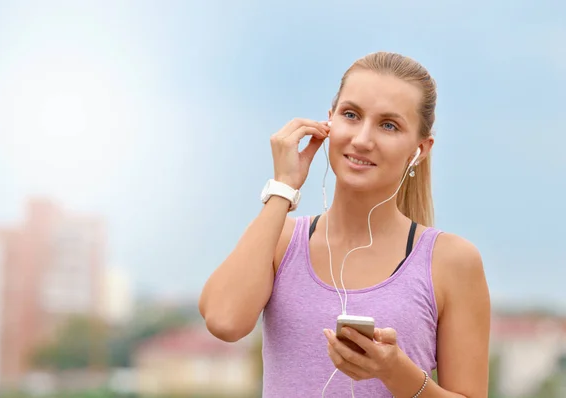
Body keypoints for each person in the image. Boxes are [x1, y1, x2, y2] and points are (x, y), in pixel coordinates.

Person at [199, 51, 490, 398]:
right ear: (329, 121)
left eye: (388, 125)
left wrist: (396, 372)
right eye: (351, 115)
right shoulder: (282, 240)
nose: (363, 139)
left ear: (421, 149)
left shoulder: (451, 262)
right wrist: (283, 187)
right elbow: (224, 320)